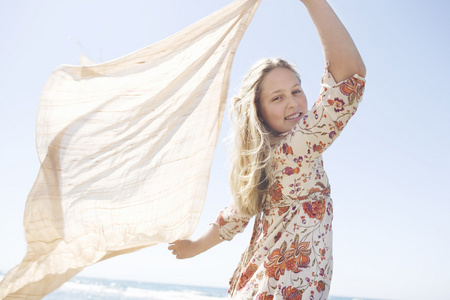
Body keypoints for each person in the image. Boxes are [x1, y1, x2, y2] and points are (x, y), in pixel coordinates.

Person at [169, 0, 366, 298]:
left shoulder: (265, 162)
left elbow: (233, 217)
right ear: (258, 112)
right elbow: (349, 78)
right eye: (277, 98)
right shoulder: (294, 151)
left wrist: (194, 247)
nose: (292, 102)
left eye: (296, 91)